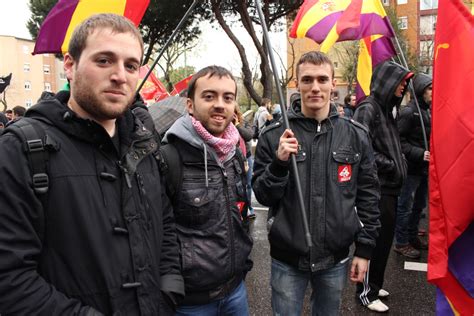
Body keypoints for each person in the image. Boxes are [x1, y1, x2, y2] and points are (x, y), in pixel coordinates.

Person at [0, 14, 183, 315]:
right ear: (69, 65)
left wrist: (169, 289)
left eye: (131, 65)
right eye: (104, 60)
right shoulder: (20, 149)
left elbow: (165, 224)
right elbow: (9, 278)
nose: (120, 76)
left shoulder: (144, 144)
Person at [252, 51, 380, 316]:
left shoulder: (355, 135)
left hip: (335, 259)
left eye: (323, 79)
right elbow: (263, 196)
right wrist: (279, 163)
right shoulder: (274, 135)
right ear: (297, 83)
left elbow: (368, 197)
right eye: (307, 79)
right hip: (287, 259)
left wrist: (364, 250)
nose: (315, 87)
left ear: (334, 83)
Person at [161, 65, 253, 315]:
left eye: (228, 97)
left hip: (235, 291)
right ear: (190, 105)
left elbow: (241, 214)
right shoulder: (169, 157)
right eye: (209, 96)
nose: (220, 105)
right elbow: (159, 230)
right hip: (191, 303)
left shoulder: (235, 153)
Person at [353, 60, 412, 312]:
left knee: (384, 241)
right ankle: (365, 293)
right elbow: (359, 149)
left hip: (389, 189)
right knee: (373, 242)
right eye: (400, 82)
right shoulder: (368, 108)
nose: (403, 87)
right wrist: (390, 164)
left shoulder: (387, 110)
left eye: (405, 83)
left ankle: (374, 285)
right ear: (387, 82)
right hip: (376, 189)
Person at [394, 74, 432, 259]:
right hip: (411, 169)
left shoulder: (428, 111)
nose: (433, 92)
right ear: (420, 90)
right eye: (429, 88)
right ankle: (401, 243)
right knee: (405, 206)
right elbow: (398, 141)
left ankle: (412, 236)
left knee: (419, 206)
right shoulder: (409, 112)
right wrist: (419, 153)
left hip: (424, 169)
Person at [234, 104, 256, 219]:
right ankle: (239, 209)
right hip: (233, 159)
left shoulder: (244, 122)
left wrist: (237, 125)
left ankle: (248, 207)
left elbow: (249, 136)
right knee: (236, 186)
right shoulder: (225, 124)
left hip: (246, 158)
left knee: (247, 184)